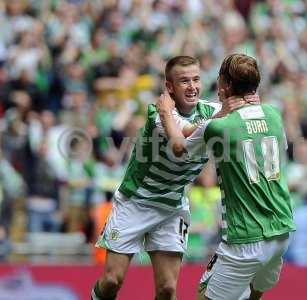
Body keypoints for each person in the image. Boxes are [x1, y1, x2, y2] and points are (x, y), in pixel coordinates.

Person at [91, 55, 258, 300]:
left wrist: (250, 104)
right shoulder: (160, 113)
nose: (192, 86)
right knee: (111, 282)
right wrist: (225, 113)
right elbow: (185, 135)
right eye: (184, 81)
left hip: (172, 207)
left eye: (196, 79)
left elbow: (239, 119)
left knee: (168, 290)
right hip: (135, 202)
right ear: (169, 87)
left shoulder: (212, 110)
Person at [157, 53, 296, 300]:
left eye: (220, 81)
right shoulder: (274, 114)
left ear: (227, 84)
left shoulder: (220, 127)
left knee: (204, 295)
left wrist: (166, 112)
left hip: (245, 238)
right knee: (254, 294)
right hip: (281, 232)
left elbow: (179, 147)